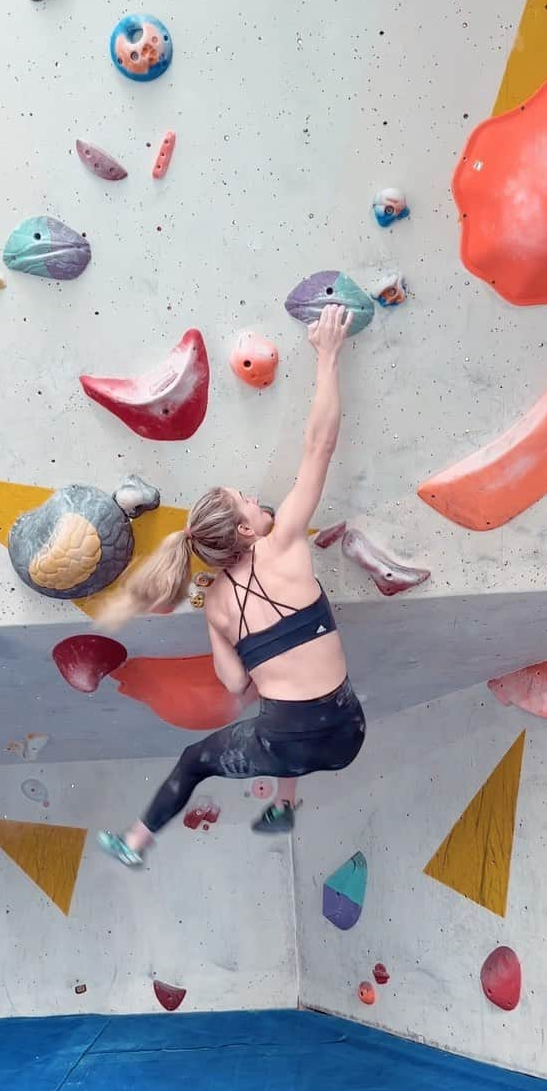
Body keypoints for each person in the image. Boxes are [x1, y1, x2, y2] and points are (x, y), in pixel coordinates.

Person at [95, 303, 366, 866]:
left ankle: (136, 842)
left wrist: (257, 651)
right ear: (246, 529)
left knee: (201, 756)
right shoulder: (286, 543)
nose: (255, 497)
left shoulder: (215, 604)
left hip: (287, 738)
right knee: (287, 723)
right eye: (247, 499)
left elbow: (235, 684)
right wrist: (328, 356)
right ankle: (283, 806)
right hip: (346, 732)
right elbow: (319, 447)